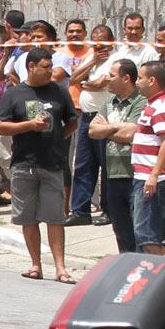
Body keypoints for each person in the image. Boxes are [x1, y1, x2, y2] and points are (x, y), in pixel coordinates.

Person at [0, 46, 78, 282]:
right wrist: (29, 126)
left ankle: (61, 268)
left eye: (51, 66)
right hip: (23, 164)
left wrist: (56, 136)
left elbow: (72, 120)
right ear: (31, 67)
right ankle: (35, 264)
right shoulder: (14, 94)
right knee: (28, 218)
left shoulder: (59, 92)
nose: (50, 71)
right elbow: (0, 126)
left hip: (52, 163)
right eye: (45, 67)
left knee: (55, 218)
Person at [87, 56, 146, 254]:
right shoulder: (109, 103)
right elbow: (92, 131)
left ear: (126, 78)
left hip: (135, 174)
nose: (107, 79)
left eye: (112, 76)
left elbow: (132, 133)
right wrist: (116, 127)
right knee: (120, 228)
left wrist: (108, 130)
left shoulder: (140, 102)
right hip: (112, 173)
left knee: (139, 228)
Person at [133, 59, 165, 253]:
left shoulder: (161, 107)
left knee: (146, 232)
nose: (137, 82)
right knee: (157, 231)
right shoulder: (152, 105)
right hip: (147, 176)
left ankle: (159, 270)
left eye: (140, 78)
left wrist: (154, 175)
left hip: (154, 179)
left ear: (152, 80)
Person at [57, 18, 99, 223]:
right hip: (66, 111)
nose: (74, 34)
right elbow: (73, 79)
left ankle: (85, 204)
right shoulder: (60, 53)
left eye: (78, 31)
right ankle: (70, 206)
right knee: (66, 161)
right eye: (71, 31)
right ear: (66, 33)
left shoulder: (92, 51)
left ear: (85, 33)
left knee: (82, 161)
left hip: (86, 111)